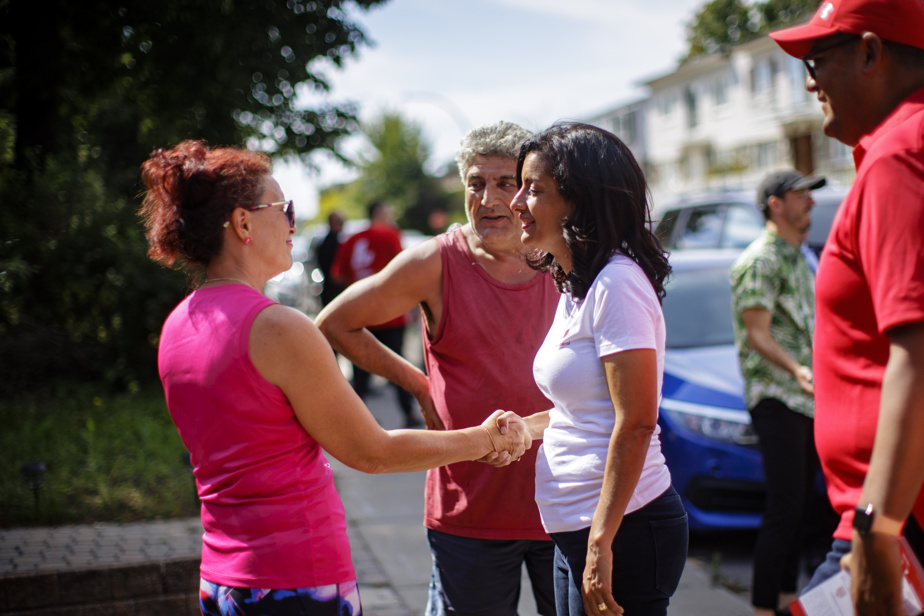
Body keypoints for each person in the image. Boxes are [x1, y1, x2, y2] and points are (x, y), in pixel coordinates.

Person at [138, 140, 530, 616]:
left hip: (221, 579)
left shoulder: (178, 324)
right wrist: (484, 439)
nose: (292, 224)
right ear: (243, 223)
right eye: (284, 209)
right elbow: (373, 452)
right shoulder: (278, 328)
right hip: (295, 579)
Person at [316, 121, 558, 616]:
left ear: (530, 190)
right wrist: (419, 384)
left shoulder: (563, 257)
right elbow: (335, 323)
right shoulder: (435, 261)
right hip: (469, 510)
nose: (488, 198)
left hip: (565, 502)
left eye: (505, 184)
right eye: (475, 183)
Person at [768, 0, 924, 612]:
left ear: (869, 53)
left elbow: (917, 349)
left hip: (895, 523)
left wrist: (876, 529)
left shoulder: (899, 155)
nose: (809, 81)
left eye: (817, 59)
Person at [507, 122, 688, 616]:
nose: (516, 201)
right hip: (580, 528)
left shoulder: (617, 285)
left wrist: (600, 544)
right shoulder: (577, 287)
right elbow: (585, 410)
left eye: (534, 189)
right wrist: (519, 429)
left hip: (624, 531)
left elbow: (635, 423)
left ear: (578, 200)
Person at [729, 170, 835, 616]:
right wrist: (799, 369)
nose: (810, 203)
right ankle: (762, 607)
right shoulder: (761, 260)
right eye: (800, 195)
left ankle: (789, 599)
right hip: (777, 396)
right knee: (785, 506)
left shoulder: (800, 256)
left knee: (808, 507)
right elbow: (757, 333)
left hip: (807, 396)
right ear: (775, 203)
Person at [330, 201, 421, 427]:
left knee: (360, 372)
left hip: (361, 316)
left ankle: (354, 420)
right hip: (390, 315)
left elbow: (337, 276)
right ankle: (409, 414)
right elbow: (404, 272)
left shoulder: (350, 239)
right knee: (399, 369)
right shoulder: (390, 235)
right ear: (380, 213)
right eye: (388, 212)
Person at [316, 211, 345, 307]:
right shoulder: (331, 243)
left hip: (330, 290)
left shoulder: (331, 241)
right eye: (340, 222)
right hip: (334, 292)